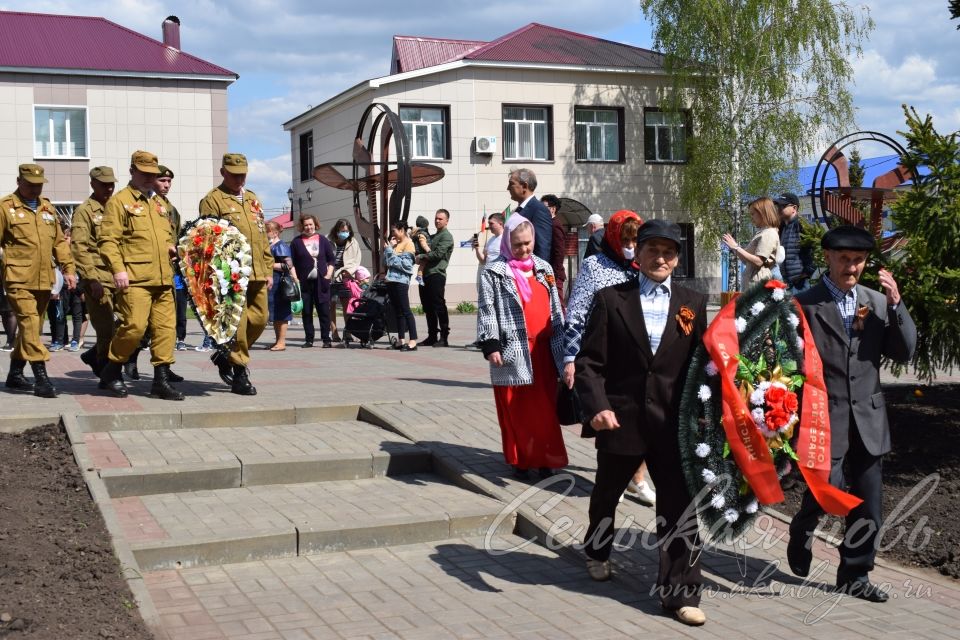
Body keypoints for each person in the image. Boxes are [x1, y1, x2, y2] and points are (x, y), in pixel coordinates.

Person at [575, 219, 708, 626]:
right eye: (653, 250)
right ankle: (598, 549)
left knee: (680, 507)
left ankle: (680, 593)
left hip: (673, 426)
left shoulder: (693, 302)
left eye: (669, 252)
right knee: (606, 495)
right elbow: (590, 363)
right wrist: (596, 405)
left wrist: (704, 417)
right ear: (639, 253)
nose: (661, 258)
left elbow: (702, 366)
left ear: (677, 258)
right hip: (622, 420)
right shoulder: (612, 299)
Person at [786, 226, 916, 603]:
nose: (851, 266)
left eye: (858, 260)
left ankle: (855, 575)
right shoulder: (805, 304)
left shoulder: (876, 302)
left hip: (870, 419)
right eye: (844, 259)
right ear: (828, 257)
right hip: (824, 418)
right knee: (825, 491)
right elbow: (791, 361)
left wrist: (896, 304)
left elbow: (904, 352)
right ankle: (802, 528)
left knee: (869, 505)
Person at [562, 210, 656, 506]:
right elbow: (576, 312)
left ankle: (636, 477)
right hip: (602, 354)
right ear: (614, 237)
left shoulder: (642, 266)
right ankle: (621, 481)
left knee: (641, 420)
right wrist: (570, 358)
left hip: (636, 355)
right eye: (626, 239)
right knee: (613, 425)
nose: (630, 245)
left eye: (635, 240)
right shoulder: (593, 266)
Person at [477, 214, 568, 479]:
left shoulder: (544, 268)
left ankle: (544, 459)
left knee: (544, 411)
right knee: (515, 408)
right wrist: (491, 343)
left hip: (544, 351)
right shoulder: (494, 271)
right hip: (511, 351)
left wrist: (565, 348)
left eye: (527, 243)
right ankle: (521, 460)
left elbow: (556, 308)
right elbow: (486, 309)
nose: (523, 249)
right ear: (507, 242)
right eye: (517, 244)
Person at [96, 151, 182, 401]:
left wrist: (171, 248)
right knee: (134, 327)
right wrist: (117, 269)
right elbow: (108, 240)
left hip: (163, 277)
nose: (148, 178)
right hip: (135, 278)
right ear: (132, 171)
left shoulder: (159, 204)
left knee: (166, 330)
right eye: (144, 173)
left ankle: (161, 380)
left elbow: (167, 235)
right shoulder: (120, 201)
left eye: (152, 174)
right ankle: (112, 369)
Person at [199, 153, 273, 396]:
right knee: (238, 326)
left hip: (258, 271)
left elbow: (262, 236)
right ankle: (240, 374)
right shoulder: (213, 200)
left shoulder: (252, 199)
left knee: (261, 319)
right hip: (230, 274)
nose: (239, 179)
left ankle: (227, 356)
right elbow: (208, 239)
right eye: (234, 174)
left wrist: (268, 268)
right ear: (223, 172)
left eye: (243, 174)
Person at [1, 163, 76, 398]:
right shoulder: (5, 208)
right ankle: (41, 376)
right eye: (30, 184)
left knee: (31, 328)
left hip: (44, 279)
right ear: (18, 181)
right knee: (31, 324)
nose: (35, 189)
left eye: (39, 185)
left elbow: (59, 244)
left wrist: (69, 269)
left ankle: (15, 374)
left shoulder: (48, 209)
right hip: (18, 278)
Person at [71, 166, 118, 375]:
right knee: (106, 329)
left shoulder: (118, 207)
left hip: (120, 276)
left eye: (111, 184)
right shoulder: (85, 211)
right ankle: (105, 371)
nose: (109, 189)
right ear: (93, 184)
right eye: (104, 184)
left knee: (135, 324)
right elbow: (79, 247)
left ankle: (93, 355)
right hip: (99, 278)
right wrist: (91, 280)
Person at [155, 166, 190, 351]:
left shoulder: (171, 209)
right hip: (151, 269)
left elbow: (177, 237)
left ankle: (163, 368)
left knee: (170, 318)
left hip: (171, 270)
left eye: (169, 181)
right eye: (162, 180)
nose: (167, 185)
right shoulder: (146, 204)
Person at [289, 215, 335, 348]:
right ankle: (309, 339)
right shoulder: (296, 242)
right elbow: (291, 262)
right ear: (302, 227)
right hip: (304, 282)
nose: (309, 227)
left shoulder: (323, 240)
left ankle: (326, 339)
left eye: (311, 224)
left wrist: (328, 274)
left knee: (323, 311)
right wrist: (295, 278)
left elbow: (331, 260)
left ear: (315, 224)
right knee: (307, 311)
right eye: (306, 225)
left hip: (322, 282)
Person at [722, 196, 781, 286]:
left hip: (758, 285)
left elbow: (759, 261)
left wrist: (736, 247)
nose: (751, 218)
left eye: (753, 214)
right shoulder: (762, 232)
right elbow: (746, 260)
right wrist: (734, 248)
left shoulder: (769, 233)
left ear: (763, 213)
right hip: (752, 282)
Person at [416, 209, 453, 347]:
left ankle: (444, 337)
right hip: (425, 275)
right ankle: (432, 336)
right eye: (436, 218)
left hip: (437, 274)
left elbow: (437, 254)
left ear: (447, 221)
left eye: (440, 219)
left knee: (438, 306)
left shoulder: (446, 236)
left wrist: (421, 257)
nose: (437, 221)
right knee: (428, 307)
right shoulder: (433, 236)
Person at [383, 221, 418, 351]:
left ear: (402, 230)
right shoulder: (395, 244)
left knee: (406, 310)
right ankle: (401, 340)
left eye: (394, 231)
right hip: (391, 280)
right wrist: (389, 248)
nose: (393, 234)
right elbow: (386, 261)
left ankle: (413, 341)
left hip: (401, 281)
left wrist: (390, 252)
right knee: (398, 312)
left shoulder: (409, 244)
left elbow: (406, 265)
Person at [506, 168, 552, 262]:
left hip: (527, 273)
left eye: (511, 184)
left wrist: (536, 274)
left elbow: (542, 248)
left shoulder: (538, 209)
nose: (507, 188)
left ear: (524, 186)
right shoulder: (519, 210)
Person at [328, 218, 362, 344]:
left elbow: (356, 260)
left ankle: (348, 332)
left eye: (347, 231)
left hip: (346, 276)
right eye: (342, 231)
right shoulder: (328, 240)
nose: (344, 233)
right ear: (336, 230)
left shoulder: (353, 242)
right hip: (330, 276)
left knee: (346, 305)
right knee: (330, 305)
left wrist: (349, 272)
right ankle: (334, 331)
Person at [266, 220, 296, 351]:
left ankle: (282, 342)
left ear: (275, 232)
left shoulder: (281, 246)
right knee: (275, 314)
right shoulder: (270, 246)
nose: (264, 234)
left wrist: (268, 265)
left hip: (280, 283)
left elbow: (287, 265)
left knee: (282, 313)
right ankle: (278, 341)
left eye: (267, 231)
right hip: (273, 283)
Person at [776, 192, 816, 293]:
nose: (779, 208)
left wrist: (807, 273)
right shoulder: (781, 228)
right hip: (787, 283)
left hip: (802, 284)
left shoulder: (803, 224)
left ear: (794, 208)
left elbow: (815, 247)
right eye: (778, 205)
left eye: (783, 205)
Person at [540, 194, 568, 302]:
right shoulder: (547, 224)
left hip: (553, 274)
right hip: (547, 273)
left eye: (543, 207)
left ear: (552, 209)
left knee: (558, 305)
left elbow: (559, 252)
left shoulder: (555, 225)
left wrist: (554, 276)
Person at [0, 247, 18, 351]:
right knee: (3, 311)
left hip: (9, 279)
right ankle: (11, 339)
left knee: (10, 311)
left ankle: (10, 341)